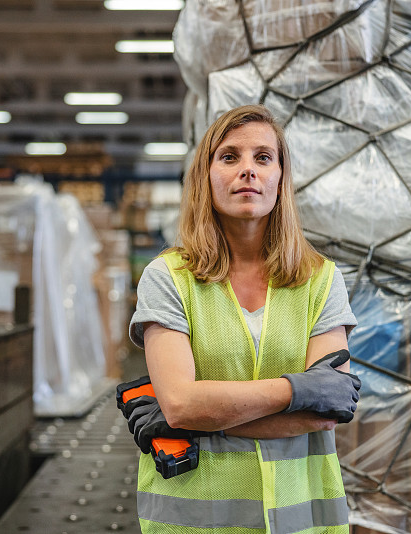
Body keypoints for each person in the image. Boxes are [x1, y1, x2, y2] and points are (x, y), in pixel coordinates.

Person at [124, 104, 361, 533]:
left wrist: (203, 418)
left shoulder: (321, 280)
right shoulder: (168, 278)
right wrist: (298, 389)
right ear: (205, 176)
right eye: (229, 157)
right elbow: (179, 404)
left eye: (263, 158)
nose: (247, 170)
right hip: (196, 521)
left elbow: (326, 412)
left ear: (280, 179)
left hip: (301, 521)